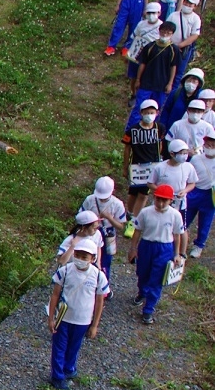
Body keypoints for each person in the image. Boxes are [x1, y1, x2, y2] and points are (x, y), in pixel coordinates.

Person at [47, 239, 109, 390]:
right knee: (59, 347)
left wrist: (94, 325)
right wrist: (51, 318)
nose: (80, 259)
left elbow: (100, 301)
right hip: (63, 318)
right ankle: (57, 376)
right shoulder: (65, 271)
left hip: (83, 320)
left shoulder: (98, 276)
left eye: (85, 257)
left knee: (74, 346)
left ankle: (69, 368)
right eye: (78, 255)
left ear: (93, 258)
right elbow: (55, 295)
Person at [129, 183, 187, 324]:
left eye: (164, 200)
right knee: (142, 272)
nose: (160, 203)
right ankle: (142, 292)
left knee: (157, 279)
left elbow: (177, 235)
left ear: (170, 201)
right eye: (158, 199)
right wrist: (133, 248)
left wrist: (176, 254)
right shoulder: (146, 212)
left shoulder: (175, 215)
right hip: (147, 245)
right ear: (154, 198)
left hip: (164, 248)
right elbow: (137, 231)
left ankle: (148, 309)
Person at [128, 21, 179, 129]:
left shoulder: (174, 49)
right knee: (138, 107)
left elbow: (173, 67)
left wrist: (170, 83)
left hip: (161, 85)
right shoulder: (150, 46)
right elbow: (143, 64)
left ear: (172, 34)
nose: (165, 34)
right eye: (163, 31)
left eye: (168, 32)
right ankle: (131, 129)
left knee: (156, 109)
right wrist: (138, 79)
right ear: (159, 31)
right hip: (146, 82)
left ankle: (150, 130)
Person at [124, 98, 169, 216]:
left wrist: (159, 161)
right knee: (133, 193)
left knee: (144, 194)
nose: (149, 115)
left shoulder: (160, 128)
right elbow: (127, 148)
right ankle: (129, 212)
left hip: (152, 166)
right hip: (136, 166)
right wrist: (125, 167)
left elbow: (160, 144)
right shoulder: (132, 130)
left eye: (152, 113)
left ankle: (135, 218)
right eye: (146, 112)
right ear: (141, 113)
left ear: (157, 113)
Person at [81, 176, 128, 281]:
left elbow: (121, 226)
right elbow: (81, 216)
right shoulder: (90, 200)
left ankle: (103, 285)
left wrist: (109, 218)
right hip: (91, 232)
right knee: (88, 257)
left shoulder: (117, 204)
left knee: (105, 261)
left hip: (107, 233)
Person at [152, 139, 199, 217]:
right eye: (181, 153)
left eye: (186, 153)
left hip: (179, 202)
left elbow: (192, 183)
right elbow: (150, 183)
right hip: (162, 201)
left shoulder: (188, 167)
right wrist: (162, 191)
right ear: (172, 154)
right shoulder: (160, 167)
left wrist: (185, 191)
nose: (184, 156)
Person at [186, 132, 215, 257]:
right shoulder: (196, 159)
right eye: (208, 144)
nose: (210, 147)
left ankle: (199, 245)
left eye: (213, 145)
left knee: (205, 221)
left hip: (210, 195)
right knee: (185, 217)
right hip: (195, 190)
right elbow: (188, 175)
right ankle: (178, 237)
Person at [167, 0, 204, 81]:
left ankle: (173, 92)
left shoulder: (195, 19)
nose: (187, 5)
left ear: (194, 6)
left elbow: (194, 35)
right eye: (186, 2)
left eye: (190, 4)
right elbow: (166, 28)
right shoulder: (173, 15)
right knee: (166, 69)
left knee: (178, 73)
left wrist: (180, 45)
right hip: (170, 46)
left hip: (183, 49)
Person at [162, 64, 204, 129]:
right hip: (171, 128)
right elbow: (166, 111)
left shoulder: (201, 97)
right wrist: (163, 126)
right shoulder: (175, 93)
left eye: (194, 81)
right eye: (189, 80)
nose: (191, 83)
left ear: (198, 84)